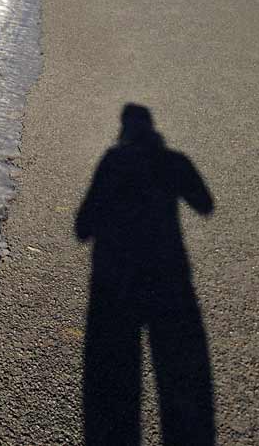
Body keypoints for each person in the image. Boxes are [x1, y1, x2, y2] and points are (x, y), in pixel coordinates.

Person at [76, 104, 214, 445]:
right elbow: (205, 204)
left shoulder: (111, 162)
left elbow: (83, 227)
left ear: (123, 132)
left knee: (117, 379)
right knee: (177, 376)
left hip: (116, 282)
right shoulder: (175, 161)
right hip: (169, 280)